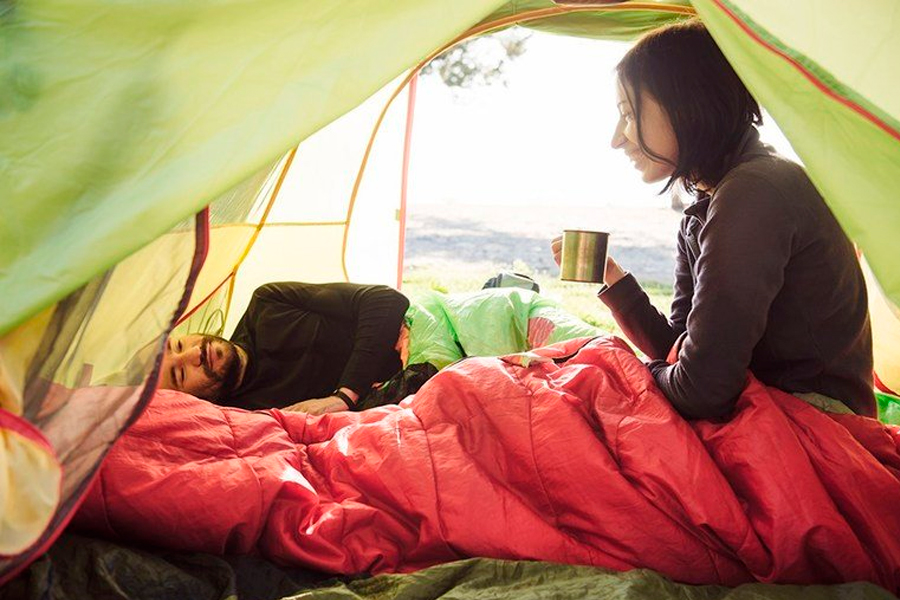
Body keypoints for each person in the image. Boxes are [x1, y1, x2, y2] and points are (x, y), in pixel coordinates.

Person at [552, 19, 874, 419]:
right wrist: (614, 282)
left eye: (630, 114)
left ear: (686, 103)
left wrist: (633, 372)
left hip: (818, 419)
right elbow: (681, 347)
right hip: (768, 406)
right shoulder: (711, 200)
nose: (617, 138)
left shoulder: (756, 191)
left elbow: (700, 390)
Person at [158, 281, 601, 415]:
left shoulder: (268, 302)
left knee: (590, 355)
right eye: (181, 374)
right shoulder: (251, 413)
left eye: (181, 343)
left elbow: (386, 302)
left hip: (435, 327)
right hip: (417, 393)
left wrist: (342, 395)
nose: (194, 354)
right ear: (194, 399)